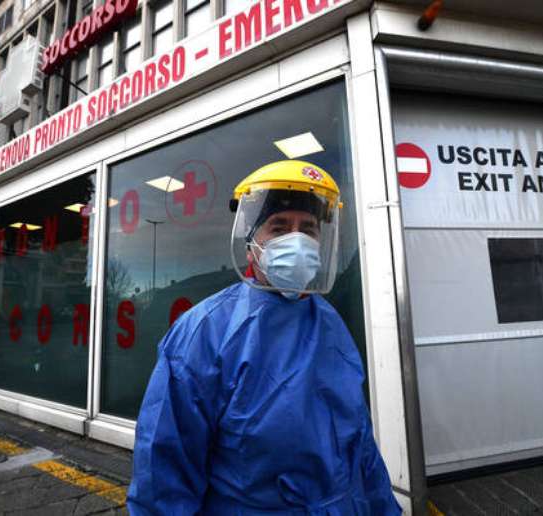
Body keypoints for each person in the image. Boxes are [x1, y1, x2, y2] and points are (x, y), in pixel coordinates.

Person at [127, 160, 402, 515]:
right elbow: (163, 470)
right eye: (279, 227)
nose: (297, 241)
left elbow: (361, 447)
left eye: (309, 229)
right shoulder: (205, 332)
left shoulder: (331, 325)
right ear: (250, 245)